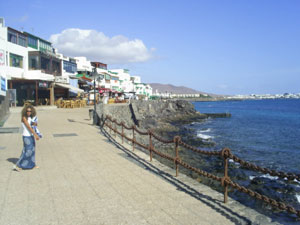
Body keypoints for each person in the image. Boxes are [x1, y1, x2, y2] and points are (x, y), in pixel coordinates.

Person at [14, 105, 40, 171]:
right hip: (26, 136)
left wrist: (35, 123)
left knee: (32, 150)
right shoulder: (24, 118)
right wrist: (35, 134)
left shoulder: (30, 118)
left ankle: (32, 164)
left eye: (30, 111)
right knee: (27, 151)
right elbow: (28, 127)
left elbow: (32, 124)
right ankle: (19, 165)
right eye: (28, 111)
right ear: (25, 111)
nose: (29, 112)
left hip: (31, 136)